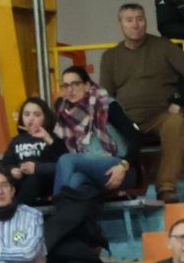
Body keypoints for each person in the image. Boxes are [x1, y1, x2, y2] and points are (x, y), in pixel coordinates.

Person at [98, 2, 184, 204]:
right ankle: (112, 187)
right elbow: (106, 97)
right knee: (102, 127)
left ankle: (166, 188)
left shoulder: (163, 46)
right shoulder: (110, 57)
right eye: (129, 20)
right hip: (126, 121)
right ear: (120, 24)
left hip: (160, 116)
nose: (136, 25)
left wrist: (180, 99)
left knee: (175, 121)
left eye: (140, 19)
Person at [53, 66, 138, 199]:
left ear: (87, 85)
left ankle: (55, 208)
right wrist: (46, 138)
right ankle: (64, 214)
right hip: (89, 174)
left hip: (117, 169)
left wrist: (123, 165)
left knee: (67, 160)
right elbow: (58, 149)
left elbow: (136, 137)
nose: (70, 90)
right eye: (65, 85)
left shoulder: (106, 105)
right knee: (74, 182)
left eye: (75, 84)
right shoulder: (64, 115)